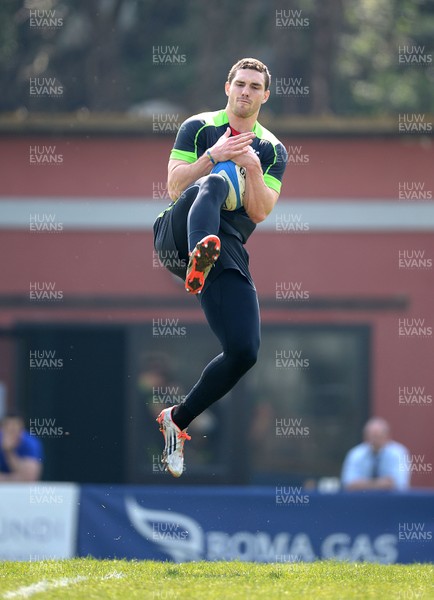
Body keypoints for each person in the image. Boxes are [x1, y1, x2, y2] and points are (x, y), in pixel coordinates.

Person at [153, 57, 287, 477]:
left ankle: (177, 418)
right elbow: (175, 186)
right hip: (177, 233)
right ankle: (199, 255)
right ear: (227, 87)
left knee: (245, 350)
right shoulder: (198, 127)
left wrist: (249, 166)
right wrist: (214, 155)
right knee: (208, 183)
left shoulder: (272, 150)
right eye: (240, 84)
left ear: (265, 96)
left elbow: (261, 212)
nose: (245, 92)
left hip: (225, 244)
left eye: (254, 86)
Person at [341, 417, 411, 490]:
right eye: (371, 436)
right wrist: (379, 483)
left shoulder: (399, 453)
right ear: (365, 437)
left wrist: (363, 484)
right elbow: (348, 483)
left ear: (387, 436)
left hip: (392, 500)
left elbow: (400, 483)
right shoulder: (355, 454)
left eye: (377, 436)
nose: (374, 440)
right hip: (361, 500)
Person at [0, 412, 43, 481]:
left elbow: (30, 478)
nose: (12, 434)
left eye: (15, 430)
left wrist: (9, 452)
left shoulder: (30, 443)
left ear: (22, 429)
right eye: (8, 430)